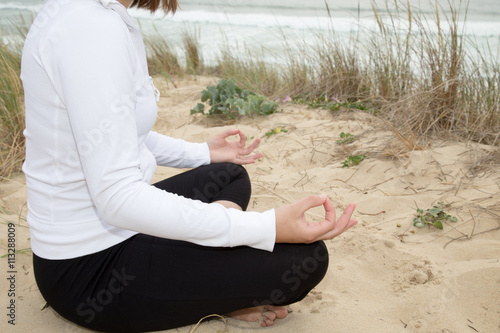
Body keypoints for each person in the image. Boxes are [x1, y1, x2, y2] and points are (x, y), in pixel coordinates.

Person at [20, 0, 357, 331]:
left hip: (111, 230)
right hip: (89, 272)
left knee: (229, 176)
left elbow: (123, 135)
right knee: (307, 261)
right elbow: (117, 199)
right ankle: (215, 287)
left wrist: (203, 153)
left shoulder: (95, 13)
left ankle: (204, 263)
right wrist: (263, 227)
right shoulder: (91, 28)